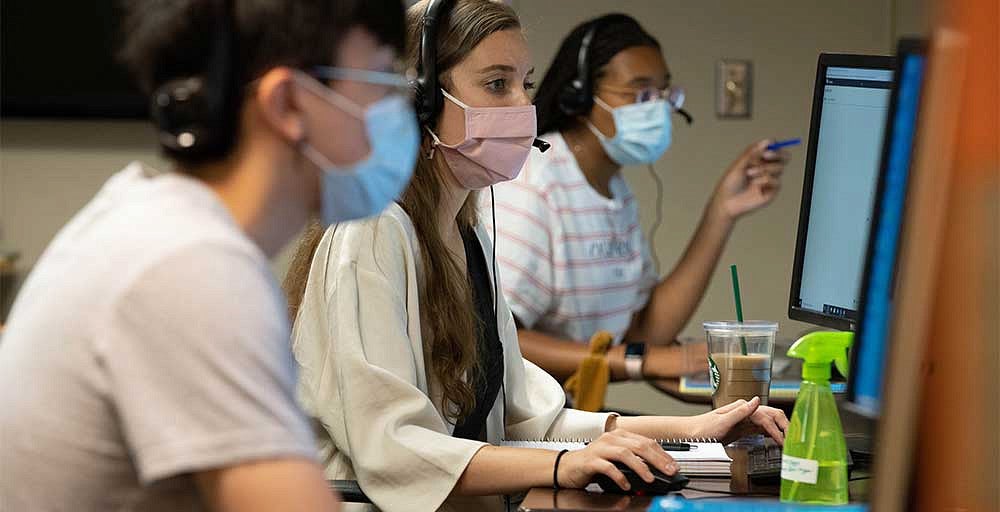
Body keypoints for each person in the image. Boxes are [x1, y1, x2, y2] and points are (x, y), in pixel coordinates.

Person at [284, 2, 788, 511]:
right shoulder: (371, 231)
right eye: (497, 84)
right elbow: (392, 447)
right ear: (418, 102)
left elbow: (530, 418)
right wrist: (562, 465)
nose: (524, 106)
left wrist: (697, 429)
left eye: (525, 83)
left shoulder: (467, 235)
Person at [0, 1, 415, 510]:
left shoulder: (155, 225)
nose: (397, 109)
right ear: (288, 104)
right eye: (378, 80)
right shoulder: (190, 268)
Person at [485, 14, 789, 384]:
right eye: (641, 92)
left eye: (664, 94)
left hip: (568, 413)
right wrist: (639, 361)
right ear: (580, 96)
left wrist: (722, 212)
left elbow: (645, 333)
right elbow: (496, 338)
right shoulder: (533, 184)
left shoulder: (614, 192)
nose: (658, 108)